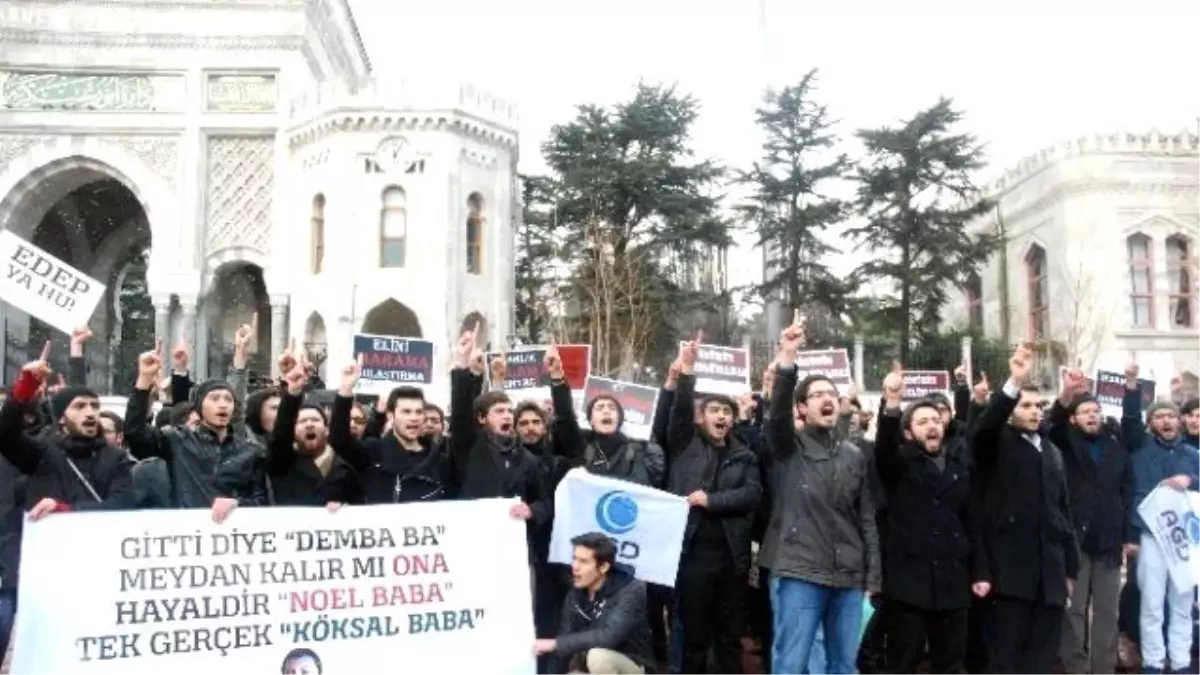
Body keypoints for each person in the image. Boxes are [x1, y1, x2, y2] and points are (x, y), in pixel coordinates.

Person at [761, 317, 880, 675]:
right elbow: (776, 414)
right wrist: (787, 358)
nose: (828, 399)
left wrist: (872, 578)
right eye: (817, 395)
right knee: (792, 663)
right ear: (801, 408)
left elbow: (866, 518)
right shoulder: (788, 448)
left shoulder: (853, 455)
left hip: (848, 578)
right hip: (799, 573)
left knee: (843, 665)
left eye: (832, 394)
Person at [970, 345, 1078, 675]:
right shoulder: (997, 444)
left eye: (1038, 405)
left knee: (1042, 659)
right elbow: (984, 428)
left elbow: (1063, 511)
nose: (1034, 411)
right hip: (1010, 575)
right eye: (1026, 405)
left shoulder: (1051, 451)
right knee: (1005, 660)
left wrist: (1069, 568)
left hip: (1051, 577)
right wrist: (1013, 383)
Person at [874, 366, 983, 674]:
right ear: (908, 433)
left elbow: (972, 524)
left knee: (950, 664)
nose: (932, 425)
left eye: (936, 419)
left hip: (953, 585)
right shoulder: (898, 465)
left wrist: (980, 573)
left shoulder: (960, 468)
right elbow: (883, 449)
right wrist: (892, 401)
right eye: (922, 422)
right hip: (909, 585)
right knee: (903, 662)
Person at [666, 338, 761, 675]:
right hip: (692, 558)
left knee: (730, 640)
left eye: (727, 412)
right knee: (694, 639)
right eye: (714, 411)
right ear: (700, 417)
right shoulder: (684, 445)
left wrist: (711, 501)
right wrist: (687, 370)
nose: (721, 416)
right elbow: (678, 412)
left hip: (732, 562)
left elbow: (751, 495)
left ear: (733, 420)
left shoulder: (745, 455)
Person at [1049, 367, 1134, 675]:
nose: (1092, 416)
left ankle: (1104, 668)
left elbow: (1125, 491)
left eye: (1096, 411)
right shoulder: (1063, 441)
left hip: (1109, 541)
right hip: (1075, 539)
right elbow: (1054, 422)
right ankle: (1076, 667)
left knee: (1107, 613)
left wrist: (1127, 535)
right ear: (1074, 418)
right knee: (1073, 609)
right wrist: (1067, 393)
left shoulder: (1115, 445)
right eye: (1084, 412)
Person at [1128, 363, 1200, 675]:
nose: (1166, 420)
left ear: (1179, 421)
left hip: (1183, 539)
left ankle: (1182, 662)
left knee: (1182, 603)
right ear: (1151, 422)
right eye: (1160, 416)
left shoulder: (1192, 455)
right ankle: (1154, 662)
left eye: (1171, 415)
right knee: (1152, 604)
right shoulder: (1140, 448)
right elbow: (1129, 423)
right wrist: (1131, 387)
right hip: (1150, 537)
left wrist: (1191, 480)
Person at [535, 532, 656, 675]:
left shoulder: (631, 589)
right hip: (592, 667)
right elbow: (564, 641)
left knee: (598, 657)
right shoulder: (576, 593)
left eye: (583, 561)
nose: (575, 566)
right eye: (574, 559)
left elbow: (608, 637)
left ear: (603, 567)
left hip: (634, 665)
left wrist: (555, 644)